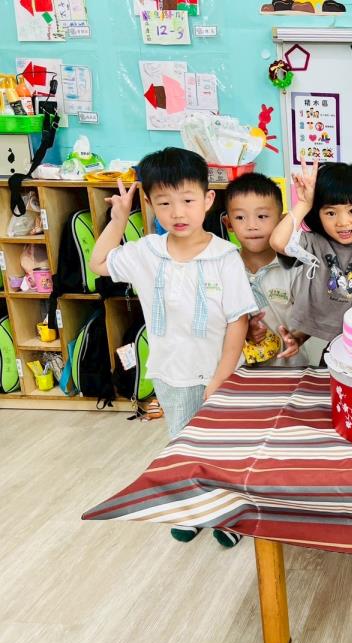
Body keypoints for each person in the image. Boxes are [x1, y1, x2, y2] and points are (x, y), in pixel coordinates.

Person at [90, 147, 257, 548]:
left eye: (187, 200)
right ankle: (191, 510)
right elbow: (99, 263)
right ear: (149, 203)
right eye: (164, 203)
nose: (178, 212)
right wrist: (118, 219)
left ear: (207, 199)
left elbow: (238, 320)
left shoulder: (224, 256)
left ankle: (225, 515)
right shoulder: (146, 252)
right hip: (171, 372)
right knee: (182, 443)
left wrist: (221, 376)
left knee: (221, 447)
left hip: (221, 374)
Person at [269, 161, 352, 352]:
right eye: (330, 213)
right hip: (329, 341)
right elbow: (278, 242)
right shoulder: (313, 242)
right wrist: (304, 204)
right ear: (317, 214)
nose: (342, 222)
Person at [225, 172, 307, 366]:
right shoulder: (224, 268)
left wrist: (297, 338)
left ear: (282, 221)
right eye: (240, 217)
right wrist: (244, 330)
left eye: (262, 216)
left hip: (290, 371)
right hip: (239, 373)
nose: (252, 226)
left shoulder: (296, 268)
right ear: (228, 224)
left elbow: (310, 317)